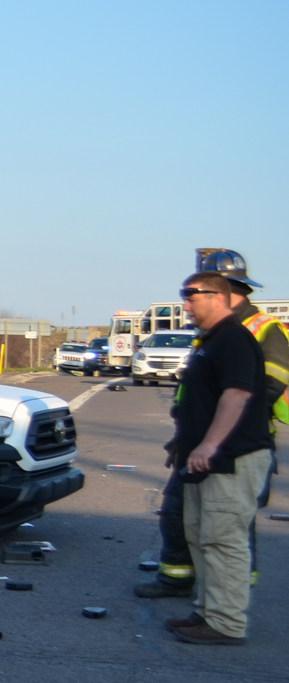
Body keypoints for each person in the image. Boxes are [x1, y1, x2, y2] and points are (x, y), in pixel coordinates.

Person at [136, 250, 287, 600]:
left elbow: (267, 384)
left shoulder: (261, 329)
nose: (187, 305)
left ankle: (228, 595)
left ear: (228, 290)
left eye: (192, 296)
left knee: (230, 523)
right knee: (179, 511)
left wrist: (223, 430)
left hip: (235, 445)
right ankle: (179, 577)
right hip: (200, 440)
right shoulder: (215, 330)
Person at [160, 268, 273, 644]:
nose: (186, 304)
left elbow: (237, 395)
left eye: (192, 296)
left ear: (218, 297)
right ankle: (208, 612)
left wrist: (209, 445)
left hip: (230, 460)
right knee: (201, 539)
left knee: (223, 541)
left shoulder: (234, 340)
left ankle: (225, 623)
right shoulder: (210, 340)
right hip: (201, 463)